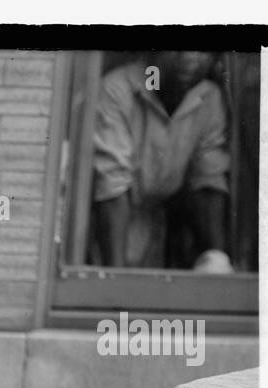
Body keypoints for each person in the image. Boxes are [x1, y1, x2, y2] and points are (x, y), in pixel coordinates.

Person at [91, 51, 234, 271]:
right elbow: (113, 187)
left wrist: (217, 261)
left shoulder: (208, 97)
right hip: (109, 232)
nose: (191, 57)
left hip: (156, 234)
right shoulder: (120, 89)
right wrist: (116, 281)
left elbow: (209, 179)